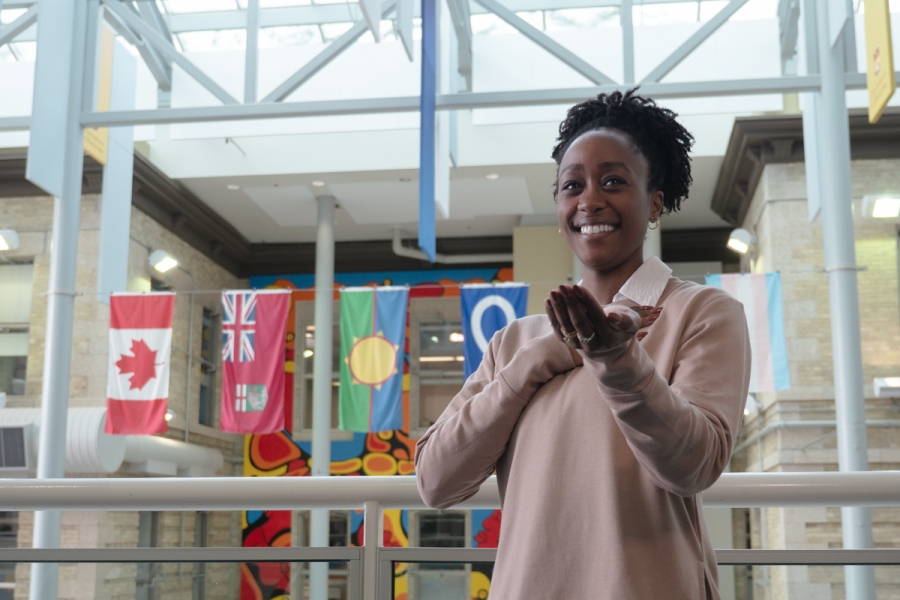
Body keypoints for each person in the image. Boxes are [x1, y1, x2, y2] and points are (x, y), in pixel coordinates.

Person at [414, 89, 752, 599]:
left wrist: (617, 359)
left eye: (613, 181)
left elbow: (695, 465)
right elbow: (435, 481)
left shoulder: (702, 312)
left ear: (654, 202)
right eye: (572, 185)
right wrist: (538, 361)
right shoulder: (516, 342)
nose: (589, 199)